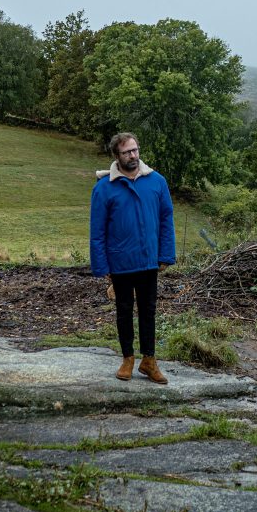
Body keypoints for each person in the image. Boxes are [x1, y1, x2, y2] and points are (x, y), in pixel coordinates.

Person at [90, 132, 176, 384]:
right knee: (124, 310)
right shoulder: (104, 188)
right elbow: (97, 231)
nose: (133, 155)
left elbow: (165, 219)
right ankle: (127, 358)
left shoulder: (157, 181)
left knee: (148, 311)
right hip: (121, 261)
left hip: (149, 259)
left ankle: (149, 361)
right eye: (127, 152)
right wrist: (101, 265)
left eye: (136, 150)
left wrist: (165, 254)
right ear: (116, 155)